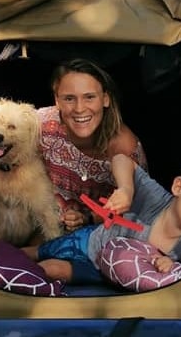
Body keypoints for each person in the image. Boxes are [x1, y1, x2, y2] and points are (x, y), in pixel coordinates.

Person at [22, 154, 181, 285]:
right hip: (89, 243)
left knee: (52, 270)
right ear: (179, 187)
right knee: (38, 253)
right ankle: (1, 259)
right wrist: (126, 189)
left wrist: (170, 263)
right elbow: (122, 159)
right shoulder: (156, 199)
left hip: (105, 275)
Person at [37, 58, 148, 233]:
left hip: (97, 234)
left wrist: (87, 218)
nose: (79, 108)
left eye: (89, 97)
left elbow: (135, 207)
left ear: (105, 99)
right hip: (41, 222)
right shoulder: (39, 126)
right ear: (57, 100)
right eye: (69, 98)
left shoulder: (125, 147)